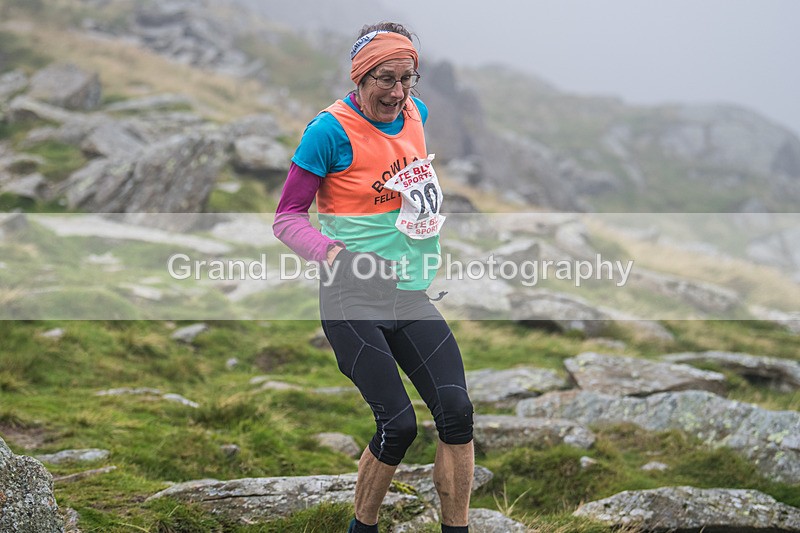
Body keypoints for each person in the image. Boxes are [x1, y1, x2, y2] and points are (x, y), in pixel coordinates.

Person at [273, 22, 474, 533]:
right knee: (399, 424)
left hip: (407, 290)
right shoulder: (328, 132)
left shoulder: (415, 114)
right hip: (351, 295)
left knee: (456, 411)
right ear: (361, 76)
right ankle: (361, 528)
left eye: (409, 79)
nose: (399, 92)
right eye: (386, 78)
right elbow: (287, 218)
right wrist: (332, 252)